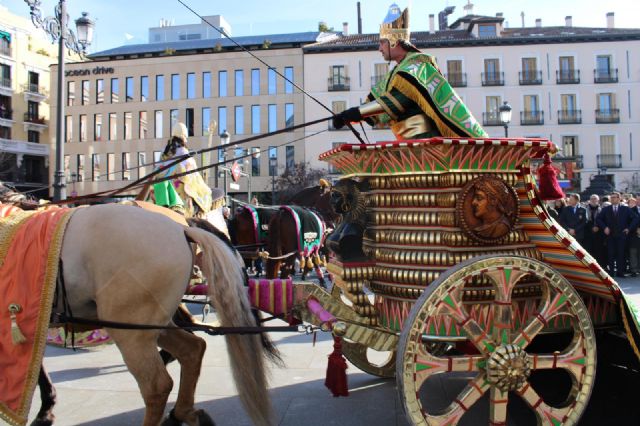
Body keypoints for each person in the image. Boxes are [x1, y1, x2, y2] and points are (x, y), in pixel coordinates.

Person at [332, 4, 488, 141]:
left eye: (381, 43)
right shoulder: (398, 71)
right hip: (408, 142)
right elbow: (376, 102)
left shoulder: (416, 67)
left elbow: (394, 101)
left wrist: (356, 113)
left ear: (394, 41)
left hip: (424, 143)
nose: (379, 48)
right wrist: (347, 115)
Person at [153, 122, 213, 218]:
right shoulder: (183, 151)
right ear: (184, 136)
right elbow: (192, 174)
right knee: (205, 192)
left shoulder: (164, 150)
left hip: (162, 187)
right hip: (177, 188)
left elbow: (158, 168)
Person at [596, 192, 640, 277]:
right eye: (611, 197)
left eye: (614, 197)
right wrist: (605, 227)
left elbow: (635, 218)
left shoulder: (625, 209)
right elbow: (598, 219)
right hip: (610, 235)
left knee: (621, 253)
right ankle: (611, 272)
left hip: (622, 235)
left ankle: (620, 272)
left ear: (619, 198)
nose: (612, 199)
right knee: (611, 253)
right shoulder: (606, 209)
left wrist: (629, 228)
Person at [583, 194, 606, 267]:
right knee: (589, 251)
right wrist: (591, 228)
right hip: (588, 234)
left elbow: (604, 220)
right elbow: (584, 221)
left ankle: (600, 267)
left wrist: (598, 227)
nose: (593, 200)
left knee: (599, 251)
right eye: (592, 199)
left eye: (595, 199)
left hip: (599, 234)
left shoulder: (602, 210)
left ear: (598, 200)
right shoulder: (585, 210)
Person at [628, 198, 640, 277]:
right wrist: (636, 229)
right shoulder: (630, 210)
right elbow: (628, 222)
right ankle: (634, 270)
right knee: (633, 252)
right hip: (633, 234)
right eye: (638, 200)